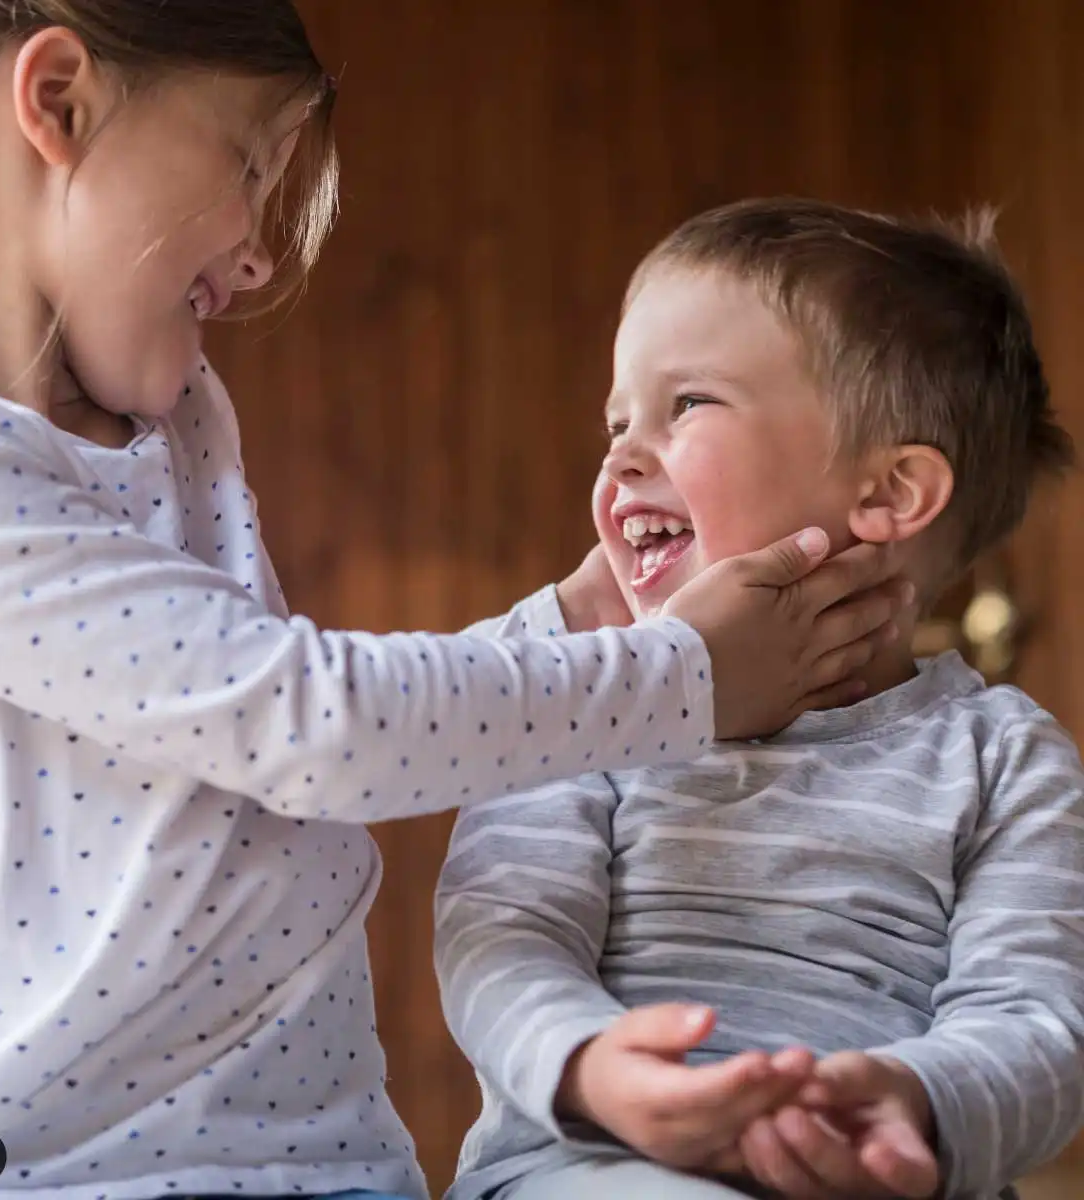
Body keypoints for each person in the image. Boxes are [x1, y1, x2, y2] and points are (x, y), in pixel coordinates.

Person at [0, 6, 907, 1199]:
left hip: (320, 1159)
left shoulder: (174, 420)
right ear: (58, 102)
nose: (261, 253)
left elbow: (247, 747)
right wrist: (688, 676)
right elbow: (311, 725)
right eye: (251, 164)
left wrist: (576, 619)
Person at [434, 198, 1084, 1200]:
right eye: (617, 420)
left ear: (891, 494)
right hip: (596, 1163)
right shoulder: (583, 684)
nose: (620, 455)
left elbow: (1042, 1022)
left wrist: (911, 1099)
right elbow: (503, 936)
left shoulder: (1004, 757)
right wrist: (592, 1069)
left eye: (686, 405)